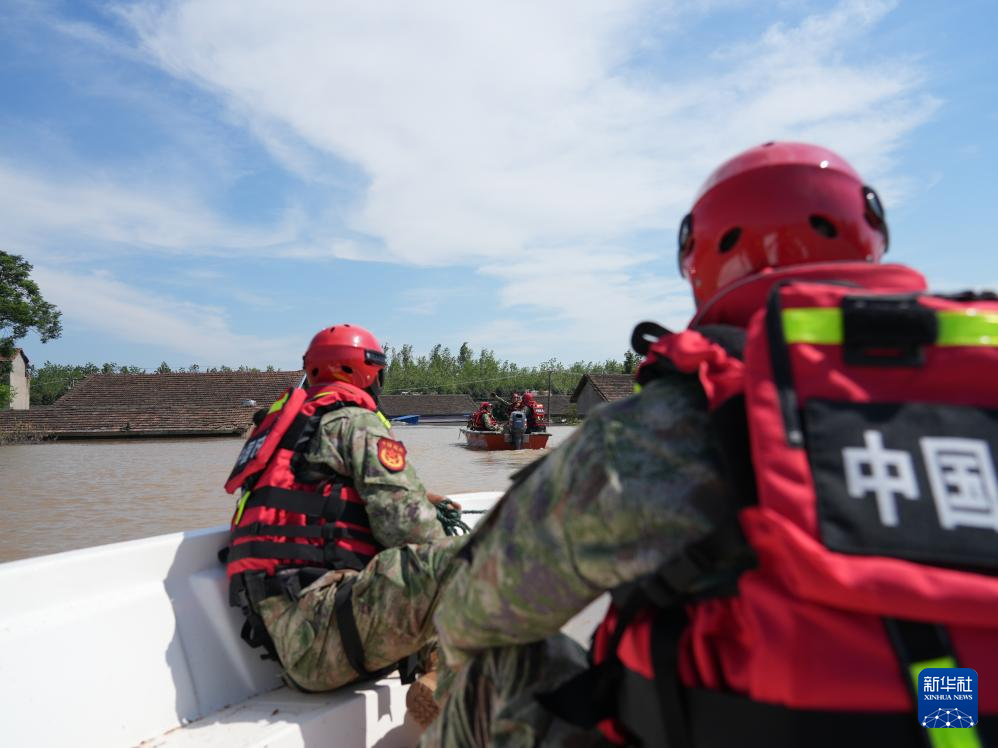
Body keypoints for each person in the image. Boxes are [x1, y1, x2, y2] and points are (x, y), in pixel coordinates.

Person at [422, 142, 998, 746]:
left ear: (699, 258)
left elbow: (473, 612)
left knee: (492, 671)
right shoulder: (976, 401)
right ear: (870, 232)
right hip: (952, 725)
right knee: (931, 665)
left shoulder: (672, 420)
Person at [223, 323, 465, 695]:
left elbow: (316, 502)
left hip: (291, 640)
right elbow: (412, 530)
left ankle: (437, 676)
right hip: (329, 634)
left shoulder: (287, 430)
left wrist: (424, 495)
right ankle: (465, 688)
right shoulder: (355, 422)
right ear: (369, 372)